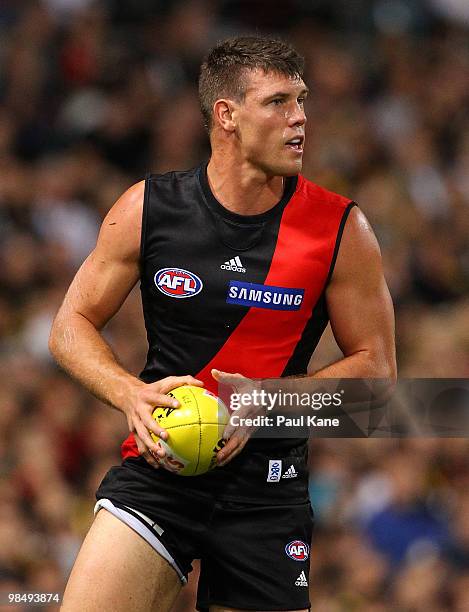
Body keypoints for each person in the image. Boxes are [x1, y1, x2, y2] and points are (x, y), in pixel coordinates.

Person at [49, 35, 396, 612]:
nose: (300, 118)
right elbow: (70, 325)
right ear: (226, 115)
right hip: (160, 471)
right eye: (278, 102)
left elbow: (378, 378)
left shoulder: (340, 228)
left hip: (268, 491)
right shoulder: (149, 207)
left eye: (302, 101)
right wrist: (129, 394)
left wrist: (265, 402)